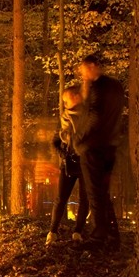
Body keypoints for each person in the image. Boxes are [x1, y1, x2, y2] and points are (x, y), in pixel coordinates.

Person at [74, 54, 125, 249]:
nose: (83, 74)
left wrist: (79, 139)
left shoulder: (98, 87)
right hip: (110, 147)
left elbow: (94, 116)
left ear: (94, 66)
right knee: (103, 193)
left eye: (84, 69)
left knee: (95, 193)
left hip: (94, 148)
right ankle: (113, 236)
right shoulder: (116, 87)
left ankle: (98, 237)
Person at [46, 85, 89, 246]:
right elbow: (56, 140)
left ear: (77, 97)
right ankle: (52, 232)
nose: (65, 103)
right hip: (68, 163)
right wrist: (62, 153)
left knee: (85, 200)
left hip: (85, 164)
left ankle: (77, 232)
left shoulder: (89, 117)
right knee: (60, 198)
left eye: (67, 99)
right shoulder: (64, 118)